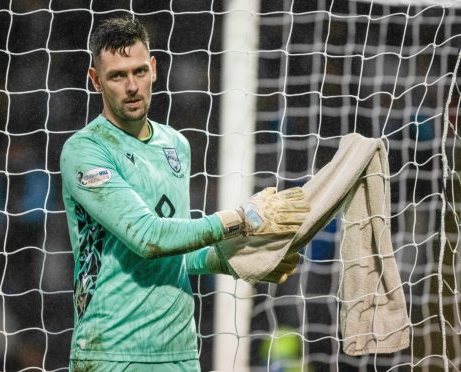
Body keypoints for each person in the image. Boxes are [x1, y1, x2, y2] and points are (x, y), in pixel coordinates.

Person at [59, 16, 310, 372]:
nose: (132, 85)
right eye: (117, 76)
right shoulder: (85, 151)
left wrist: (231, 261)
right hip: (111, 351)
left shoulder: (176, 145)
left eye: (139, 71)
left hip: (179, 353)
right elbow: (148, 238)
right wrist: (243, 219)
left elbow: (177, 253)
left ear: (155, 69)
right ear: (96, 79)